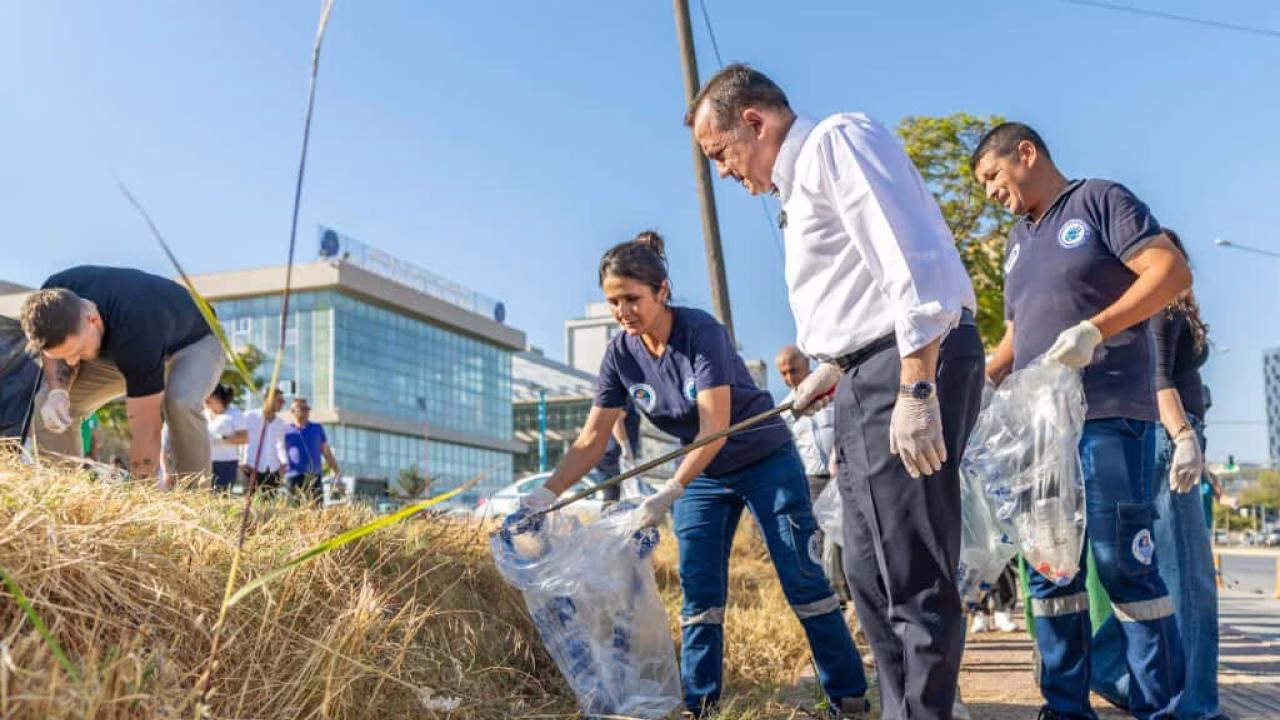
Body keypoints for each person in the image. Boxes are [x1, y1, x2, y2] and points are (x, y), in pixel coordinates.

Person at [687, 64, 984, 720]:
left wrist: (916, 384)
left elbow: (912, 262)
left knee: (909, 569)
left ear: (754, 122)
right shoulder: (798, 190)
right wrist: (834, 366)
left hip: (903, 366)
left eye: (722, 155)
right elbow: (858, 289)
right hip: (863, 373)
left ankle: (929, 713)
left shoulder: (834, 143)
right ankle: (901, 708)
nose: (728, 174)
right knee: (869, 572)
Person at [510, 232, 869, 718]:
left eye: (632, 299)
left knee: (802, 578)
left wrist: (669, 492)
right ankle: (701, 704)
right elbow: (593, 438)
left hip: (762, 458)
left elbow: (714, 426)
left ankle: (847, 696)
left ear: (662, 290)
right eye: (613, 302)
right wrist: (543, 496)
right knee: (699, 592)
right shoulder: (621, 354)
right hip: (702, 472)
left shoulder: (702, 332)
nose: (623, 312)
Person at [973, 122, 1190, 720]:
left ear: (1026, 152)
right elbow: (1018, 332)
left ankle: (1157, 707)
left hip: (1110, 415)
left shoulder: (1100, 200)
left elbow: (1169, 272)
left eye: (992, 175)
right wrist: (982, 380)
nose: (990, 191)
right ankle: (1065, 708)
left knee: (1124, 567)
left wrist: (1098, 328)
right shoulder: (1018, 240)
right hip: (1040, 435)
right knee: (1050, 575)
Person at [1091, 230, 1224, 720]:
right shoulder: (1161, 306)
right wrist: (1184, 437)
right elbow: (1159, 377)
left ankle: (1106, 666)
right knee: (1190, 580)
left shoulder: (1172, 307)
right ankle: (1195, 708)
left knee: (1167, 576)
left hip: (1173, 439)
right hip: (1170, 440)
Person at [19, 266, 224, 484]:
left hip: (193, 342)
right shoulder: (50, 302)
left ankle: (194, 499)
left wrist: (141, 491)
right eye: (64, 355)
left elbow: (146, 428)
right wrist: (58, 392)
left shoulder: (136, 326)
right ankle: (63, 492)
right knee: (48, 403)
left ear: (93, 320)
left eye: (78, 351)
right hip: (114, 351)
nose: (72, 362)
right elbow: (51, 352)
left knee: (180, 401)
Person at [775, 345, 836, 503]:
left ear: (807, 362)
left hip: (845, 473)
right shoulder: (784, 410)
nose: (789, 378)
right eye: (783, 374)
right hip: (812, 483)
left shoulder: (833, 389)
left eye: (793, 370)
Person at [281, 396, 340, 503]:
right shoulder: (285, 430)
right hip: (293, 476)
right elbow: (280, 452)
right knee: (293, 509)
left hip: (314, 476)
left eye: (307, 409)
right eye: (302, 409)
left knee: (316, 508)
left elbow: (326, 451)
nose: (306, 411)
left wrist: (336, 470)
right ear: (293, 411)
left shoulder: (317, 428)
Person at [241, 391, 288, 496]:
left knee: (270, 506)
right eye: (279, 400)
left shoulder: (280, 423)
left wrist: (284, 463)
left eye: (283, 401)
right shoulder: (249, 416)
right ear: (268, 400)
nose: (282, 404)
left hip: (272, 470)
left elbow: (280, 446)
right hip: (251, 468)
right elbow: (240, 439)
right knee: (249, 503)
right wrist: (241, 462)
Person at [594, 401, 640, 506]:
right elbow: (616, 421)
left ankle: (609, 520)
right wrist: (625, 447)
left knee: (611, 497)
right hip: (616, 454)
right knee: (631, 493)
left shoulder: (607, 399)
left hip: (603, 453)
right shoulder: (623, 398)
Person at [204, 384, 247, 494]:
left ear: (217, 398)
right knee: (204, 495)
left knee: (221, 494)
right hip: (205, 462)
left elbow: (245, 438)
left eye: (208, 400)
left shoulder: (234, 414)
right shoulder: (204, 414)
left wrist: (222, 439)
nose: (205, 403)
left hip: (225, 463)